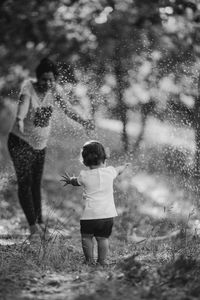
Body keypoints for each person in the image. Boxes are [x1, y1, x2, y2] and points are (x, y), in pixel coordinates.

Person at [7, 58, 94, 239]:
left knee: (36, 185)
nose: (48, 83)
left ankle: (39, 224)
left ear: (55, 80)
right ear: (38, 77)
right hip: (20, 142)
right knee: (25, 183)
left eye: (51, 79)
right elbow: (23, 106)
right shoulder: (28, 88)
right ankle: (33, 229)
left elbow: (68, 110)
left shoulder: (54, 90)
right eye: (44, 79)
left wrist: (83, 121)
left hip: (40, 146)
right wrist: (20, 119)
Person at [61, 140, 130, 266]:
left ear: (85, 160)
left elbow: (75, 181)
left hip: (90, 215)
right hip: (107, 216)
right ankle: (102, 261)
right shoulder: (110, 171)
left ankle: (89, 260)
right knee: (103, 239)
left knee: (86, 237)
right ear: (104, 157)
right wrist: (124, 166)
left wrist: (69, 180)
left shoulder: (84, 175)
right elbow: (118, 170)